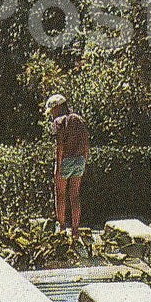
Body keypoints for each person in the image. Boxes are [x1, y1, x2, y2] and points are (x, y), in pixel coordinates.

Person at [44, 94, 89, 232]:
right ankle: (75, 230)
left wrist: (58, 166)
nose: (51, 114)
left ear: (57, 107)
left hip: (66, 160)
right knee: (75, 195)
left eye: (52, 110)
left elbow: (60, 146)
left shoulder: (59, 121)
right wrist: (84, 159)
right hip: (80, 159)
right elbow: (86, 141)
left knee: (60, 194)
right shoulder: (79, 119)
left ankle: (62, 228)